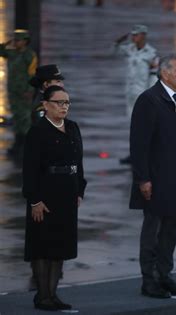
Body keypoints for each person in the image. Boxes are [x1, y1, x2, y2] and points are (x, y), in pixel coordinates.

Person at [129, 54, 176, 298]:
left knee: (171, 230)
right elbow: (139, 145)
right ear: (165, 73)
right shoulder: (149, 100)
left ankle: (165, 275)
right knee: (153, 232)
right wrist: (143, 179)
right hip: (156, 179)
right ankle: (149, 280)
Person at [22, 85, 87, 310]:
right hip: (45, 193)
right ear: (46, 105)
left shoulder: (72, 127)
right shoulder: (38, 131)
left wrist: (80, 190)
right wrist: (35, 200)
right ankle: (42, 296)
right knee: (43, 245)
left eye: (67, 102)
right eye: (59, 102)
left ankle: (53, 294)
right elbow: (29, 169)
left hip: (67, 192)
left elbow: (79, 162)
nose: (64, 107)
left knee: (61, 245)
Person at [114, 24, 159, 164]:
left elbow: (154, 76)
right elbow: (114, 51)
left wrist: (151, 97)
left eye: (136, 35)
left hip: (143, 96)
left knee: (144, 128)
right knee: (133, 128)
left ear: (143, 35)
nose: (133, 37)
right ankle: (134, 154)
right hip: (130, 95)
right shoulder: (129, 49)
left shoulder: (151, 53)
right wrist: (119, 40)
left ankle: (146, 155)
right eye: (132, 35)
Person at [0, 29, 38, 157]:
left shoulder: (29, 55)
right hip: (13, 91)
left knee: (25, 118)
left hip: (24, 91)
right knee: (17, 117)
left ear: (25, 41)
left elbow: (33, 74)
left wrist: (30, 90)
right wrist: (6, 43)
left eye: (18, 40)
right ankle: (17, 144)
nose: (16, 42)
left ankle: (26, 146)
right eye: (15, 40)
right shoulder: (11, 53)